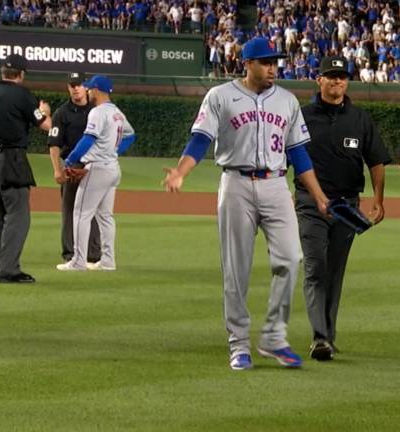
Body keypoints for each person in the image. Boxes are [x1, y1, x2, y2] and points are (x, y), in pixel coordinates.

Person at [162, 37, 330, 371]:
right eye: (266, 62)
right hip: (236, 183)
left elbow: (298, 152)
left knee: (291, 258)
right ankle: (238, 344)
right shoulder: (221, 96)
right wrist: (181, 172)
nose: (272, 68)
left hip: (276, 185)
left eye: (275, 62)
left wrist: (320, 197)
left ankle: (273, 337)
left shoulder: (286, 100)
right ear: (247, 64)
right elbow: (200, 139)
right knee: (235, 268)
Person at [297, 56, 391, 361]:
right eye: (331, 76)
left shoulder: (360, 119)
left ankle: (327, 336)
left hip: (347, 206)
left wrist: (378, 198)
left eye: (341, 77)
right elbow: (284, 154)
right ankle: (319, 337)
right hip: (311, 203)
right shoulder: (302, 115)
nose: (337, 81)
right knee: (315, 268)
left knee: (334, 272)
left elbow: (376, 161)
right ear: (319, 80)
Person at [56, 75, 136, 272]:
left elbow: (88, 139)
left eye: (90, 88)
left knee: (81, 213)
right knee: (105, 215)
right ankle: (108, 260)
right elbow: (130, 135)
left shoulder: (97, 113)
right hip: (112, 168)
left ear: (97, 90)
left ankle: (78, 261)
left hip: (98, 168)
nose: (88, 91)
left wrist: (70, 159)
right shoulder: (117, 112)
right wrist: (115, 150)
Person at [0, 54, 51, 283]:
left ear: (2, 72)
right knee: (18, 215)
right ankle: (8, 270)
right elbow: (46, 126)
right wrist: (45, 112)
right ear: (21, 74)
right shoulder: (22, 95)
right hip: (11, 158)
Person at [47, 72, 101, 266]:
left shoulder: (97, 109)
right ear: (68, 87)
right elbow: (53, 143)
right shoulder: (62, 113)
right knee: (69, 210)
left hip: (94, 165)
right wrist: (57, 169)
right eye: (72, 85)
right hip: (71, 166)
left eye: (78, 84)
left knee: (93, 209)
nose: (76, 88)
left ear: (85, 86)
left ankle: (94, 255)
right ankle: (70, 253)